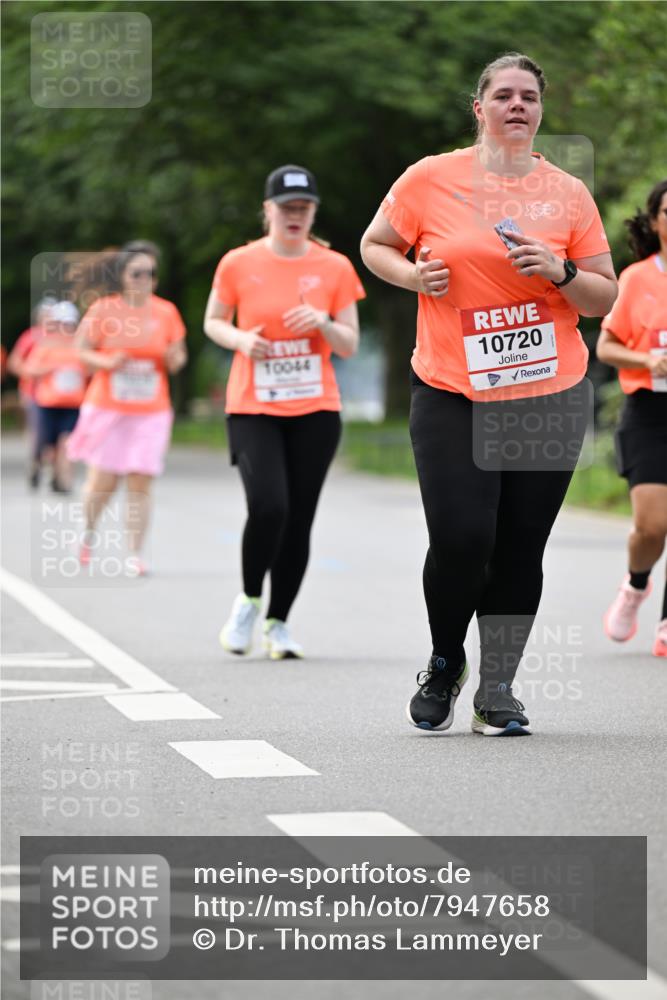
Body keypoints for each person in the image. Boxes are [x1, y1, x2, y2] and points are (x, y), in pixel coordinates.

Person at [360, 52, 617, 735]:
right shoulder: (429, 178)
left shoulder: (568, 193)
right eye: (502, 95)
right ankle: (446, 660)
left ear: (539, 111)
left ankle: (497, 687)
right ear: (479, 109)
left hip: (547, 392)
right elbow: (375, 244)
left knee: (518, 547)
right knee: (460, 536)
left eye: (527, 97)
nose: (515, 106)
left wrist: (560, 270)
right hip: (451, 388)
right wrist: (413, 278)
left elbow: (601, 293)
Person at [204, 164, 365, 659]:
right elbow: (213, 321)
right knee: (269, 506)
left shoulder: (334, 267)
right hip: (253, 406)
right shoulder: (237, 262)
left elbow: (350, 343)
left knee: (299, 519)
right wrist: (241, 339)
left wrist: (321, 321)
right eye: (286, 207)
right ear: (268, 209)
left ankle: (279, 623)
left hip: (315, 409)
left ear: (313, 211)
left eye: (305, 207)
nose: (296, 215)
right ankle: (250, 599)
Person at [67, 240, 188, 575]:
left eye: (150, 274)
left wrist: (173, 358)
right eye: (136, 273)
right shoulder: (104, 309)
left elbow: (178, 354)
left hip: (150, 410)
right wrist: (106, 360)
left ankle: (134, 553)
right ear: (122, 276)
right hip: (108, 407)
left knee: (140, 481)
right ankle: (87, 533)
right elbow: (81, 351)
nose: (143, 279)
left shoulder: (166, 312)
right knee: (103, 481)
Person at [597, 180, 667, 657]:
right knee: (652, 525)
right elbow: (606, 347)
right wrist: (646, 361)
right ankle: (636, 586)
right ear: (656, 220)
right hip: (649, 413)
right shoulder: (638, 278)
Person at [27, 301, 87, 493]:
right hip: (48, 403)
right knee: (49, 447)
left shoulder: (81, 346)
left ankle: (64, 481)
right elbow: (30, 369)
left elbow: (91, 370)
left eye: (70, 324)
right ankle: (52, 473)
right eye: (63, 324)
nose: (67, 328)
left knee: (67, 442)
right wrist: (50, 369)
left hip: (73, 404)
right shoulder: (46, 345)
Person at [7, 297, 56, 488]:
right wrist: (33, 372)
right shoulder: (30, 337)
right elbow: (14, 363)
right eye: (47, 316)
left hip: (59, 396)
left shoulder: (64, 339)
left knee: (57, 433)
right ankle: (35, 464)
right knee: (38, 432)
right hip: (33, 393)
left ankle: (54, 469)